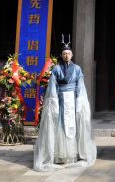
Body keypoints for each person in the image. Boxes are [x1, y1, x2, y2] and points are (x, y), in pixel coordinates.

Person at [33, 37, 96, 171]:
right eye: (64, 54)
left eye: (68, 53)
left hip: (72, 99)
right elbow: (52, 87)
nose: (66, 55)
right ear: (61, 56)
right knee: (60, 125)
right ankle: (59, 155)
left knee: (72, 125)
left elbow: (80, 86)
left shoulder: (77, 69)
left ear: (72, 55)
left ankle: (74, 153)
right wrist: (54, 101)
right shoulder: (56, 69)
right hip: (60, 100)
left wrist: (80, 101)